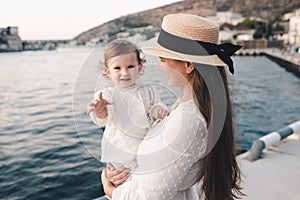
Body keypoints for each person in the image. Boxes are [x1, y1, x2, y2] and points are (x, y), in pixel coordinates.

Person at [101, 14, 244, 200]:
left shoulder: (188, 120)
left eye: (163, 59)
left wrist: (110, 190)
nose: (159, 67)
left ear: (188, 65)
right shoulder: (187, 104)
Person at [88, 39, 169, 184]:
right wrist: (100, 111)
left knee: (143, 187)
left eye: (130, 66)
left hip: (144, 153)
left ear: (140, 66)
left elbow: (156, 110)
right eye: (117, 68)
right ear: (108, 71)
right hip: (119, 158)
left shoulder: (149, 91)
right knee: (122, 187)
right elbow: (102, 119)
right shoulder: (107, 95)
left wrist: (159, 110)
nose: (124, 73)